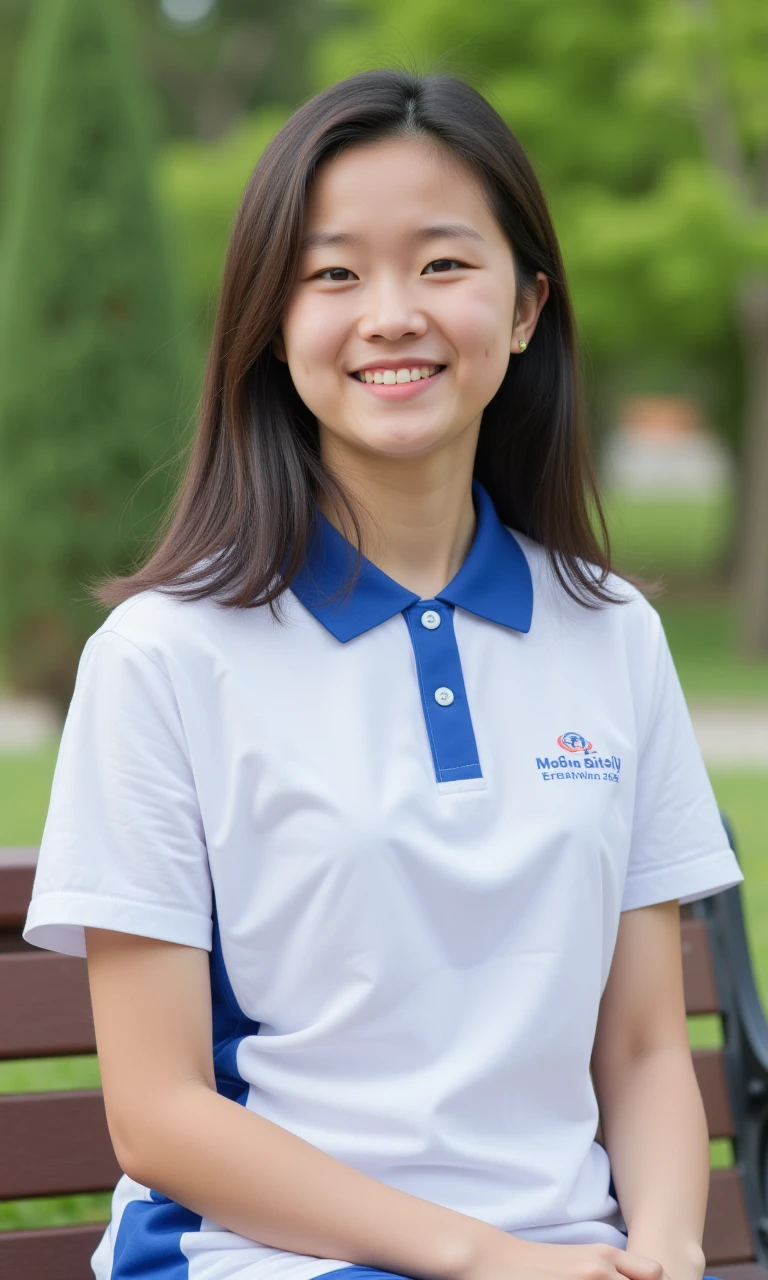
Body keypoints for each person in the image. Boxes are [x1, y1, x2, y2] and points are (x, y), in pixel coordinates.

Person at [22, 69, 740, 1280]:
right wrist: (480, 1259)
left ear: (524, 309)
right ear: (271, 321)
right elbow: (159, 1113)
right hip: (261, 1258)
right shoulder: (161, 659)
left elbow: (641, 1046)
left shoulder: (613, 631)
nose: (392, 312)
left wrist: (664, 1248)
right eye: (334, 273)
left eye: (445, 264)